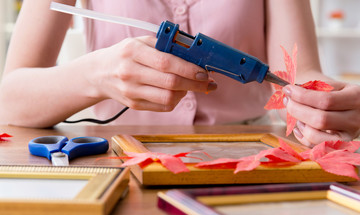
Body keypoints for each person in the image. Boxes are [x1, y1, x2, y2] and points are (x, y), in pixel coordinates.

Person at [0, 0, 359, 148]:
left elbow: (297, 75)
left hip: (243, 156)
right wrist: (94, 74)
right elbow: (10, 99)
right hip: (117, 162)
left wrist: (319, 105)